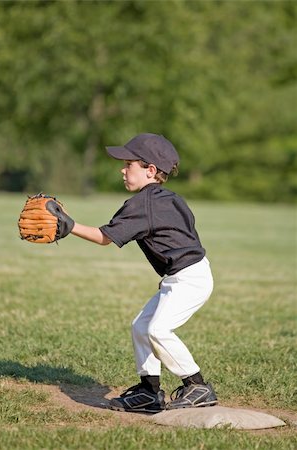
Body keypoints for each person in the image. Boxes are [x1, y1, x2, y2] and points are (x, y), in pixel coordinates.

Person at [58, 133, 218, 413]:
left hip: (189, 279)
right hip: (184, 276)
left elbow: (104, 237)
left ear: (150, 170)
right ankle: (149, 391)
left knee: (157, 329)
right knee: (141, 326)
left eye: (129, 163)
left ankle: (197, 385)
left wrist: (69, 226)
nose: (122, 168)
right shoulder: (170, 198)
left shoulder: (144, 203)